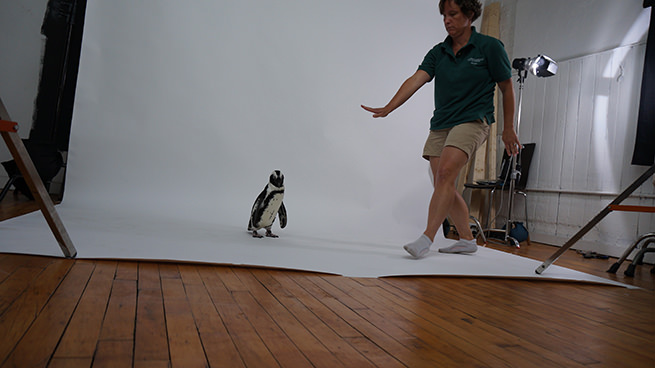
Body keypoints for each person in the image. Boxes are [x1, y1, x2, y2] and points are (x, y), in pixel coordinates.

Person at [362, 0, 520, 258]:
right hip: (442, 123)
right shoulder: (439, 52)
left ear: (469, 15)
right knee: (442, 182)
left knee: (446, 174)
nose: (447, 20)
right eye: (444, 15)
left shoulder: (490, 47)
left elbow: (506, 87)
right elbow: (416, 78)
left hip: (473, 120)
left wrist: (508, 128)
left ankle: (426, 239)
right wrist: (390, 106)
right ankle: (467, 239)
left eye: (453, 14)